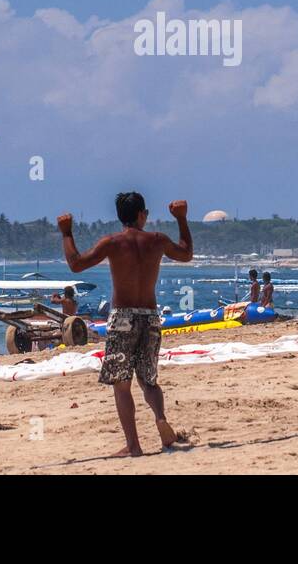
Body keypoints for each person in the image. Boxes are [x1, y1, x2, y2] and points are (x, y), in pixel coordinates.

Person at [59, 192, 192, 457]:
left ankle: (133, 445)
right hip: (150, 316)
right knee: (149, 380)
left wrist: (66, 233)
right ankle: (160, 418)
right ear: (142, 214)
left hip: (122, 318)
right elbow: (186, 253)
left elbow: (76, 265)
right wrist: (181, 219)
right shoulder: (157, 240)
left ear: (121, 217)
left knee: (122, 384)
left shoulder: (112, 242)